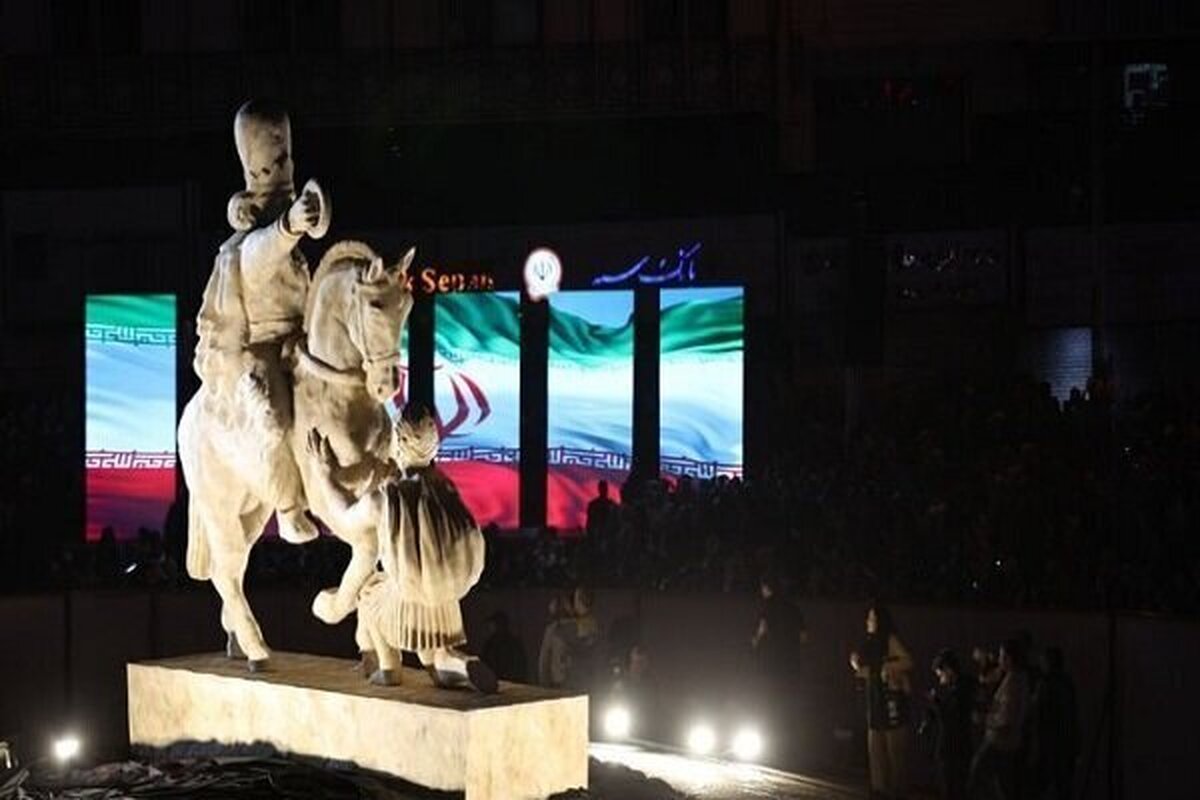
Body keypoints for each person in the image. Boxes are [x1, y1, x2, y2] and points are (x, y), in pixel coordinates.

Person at [194, 99, 328, 544]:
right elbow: (260, 255)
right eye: (277, 157)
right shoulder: (246, 245)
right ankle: (288, 509)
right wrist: (289, 224)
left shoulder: (288, 234)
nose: (285, 162)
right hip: (259, 347)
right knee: (274, 418)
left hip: (299, 341)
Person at [304, 407, 495, 692]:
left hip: (406, 596)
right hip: (444, 601)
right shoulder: (445, 488)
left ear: (398, 441)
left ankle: (388, 666)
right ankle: (461, 664)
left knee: (369, 596)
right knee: (437, 661)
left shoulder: (384, 498)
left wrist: (325, 474)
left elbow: (344, 516)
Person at [850, 602, 914, 799]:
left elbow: (907, 661)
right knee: (876, 751)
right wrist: (856, 664)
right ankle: (879, 789)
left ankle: (895, 790)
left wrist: (886, 668)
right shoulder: (868, 642)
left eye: (872, 618)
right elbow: (864, 669)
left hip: (890, 703)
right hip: (875, 702)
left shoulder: (889, 640)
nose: (868, 622)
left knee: (894, 753)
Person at [969, 639, 1030, 800]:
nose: (999, 659)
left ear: (1010, 659)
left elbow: (1006, 720)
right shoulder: (1016, 678)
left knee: (977, 774)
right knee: (1002, 785)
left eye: (1002, 656)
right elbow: (987, 679)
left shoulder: (1013, 684)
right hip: (1006, 742)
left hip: (1000, 742)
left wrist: (984, 719)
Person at [920, 649, 975, 800]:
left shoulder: (960, 691)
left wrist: (935, 702)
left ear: (948, 669)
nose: (940, 680)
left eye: (940, 674)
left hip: (954, 749)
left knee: (952, 788)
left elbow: (950, 718)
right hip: (959, 748)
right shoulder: (960, 688)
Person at [1030, 647, 1078, 800]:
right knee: (1062, 786)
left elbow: (1037, 710)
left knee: (1038, 784)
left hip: (1050, 742)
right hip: (1065, 742)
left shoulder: (1045, 684)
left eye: (1043, 661)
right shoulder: (1067, 683)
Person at [481, 611, 528, 684]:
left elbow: (519, 665)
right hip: (495, 682)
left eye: (493, 624)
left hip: (510, 682)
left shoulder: (512, 643)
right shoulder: (490, 644)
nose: (490, 627)